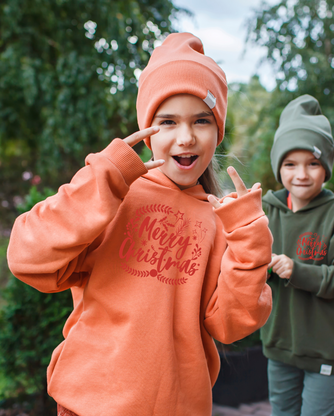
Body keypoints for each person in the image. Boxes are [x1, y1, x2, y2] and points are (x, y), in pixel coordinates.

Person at [7, 33, 273, 416]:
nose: (186, 137)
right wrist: (104, 179)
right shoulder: (113, 194)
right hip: (90, 406)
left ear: (218, 132)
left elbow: (231, 324)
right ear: (148, 130)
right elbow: (27, 258)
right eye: (168, 121)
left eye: (202, 120)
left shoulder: (222, 220)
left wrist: (249, 243)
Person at [261, 95, 334, 416]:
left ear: (326, 168)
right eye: (290, 164)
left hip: (325, 349)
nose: (301, 174)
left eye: (312, 163)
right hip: (280, 343)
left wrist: (297, 270)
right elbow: (245, 262)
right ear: (278, 167)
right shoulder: (266, 212)